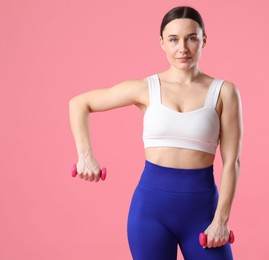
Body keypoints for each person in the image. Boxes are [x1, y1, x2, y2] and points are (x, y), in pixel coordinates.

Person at [69, 5, 243, 260]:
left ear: (203, 39)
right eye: (173, 39)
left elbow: (232, 163)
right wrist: (85, 156)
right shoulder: (145, 88)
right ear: (162, 42)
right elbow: (79, 104)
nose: (182, 48)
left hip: (203, 213)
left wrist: (221, 221)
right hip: (150, 213)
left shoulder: (224, 92)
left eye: (191, 38)